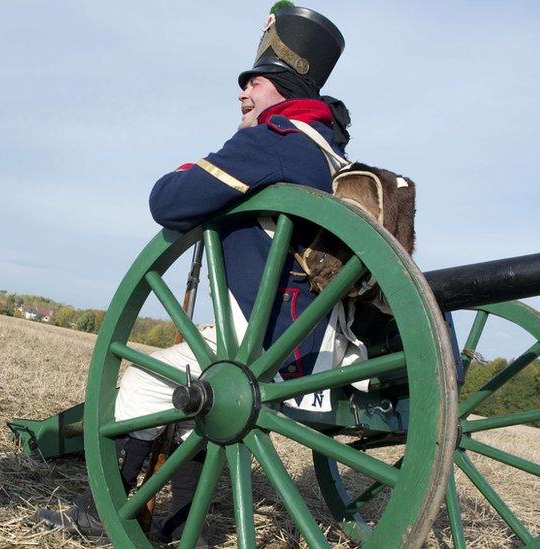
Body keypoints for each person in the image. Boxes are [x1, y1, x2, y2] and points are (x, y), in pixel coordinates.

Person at [34, 4, 356, 546]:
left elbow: (169, 200)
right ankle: (184, 527)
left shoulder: (276, 141)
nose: (242, 94)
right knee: (191, 403)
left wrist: (193, 171)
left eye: (253, 82)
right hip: (330, 344)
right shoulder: (332, 157)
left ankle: (111, 512)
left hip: (278, 344)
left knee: (137, 388)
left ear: (280, 88)